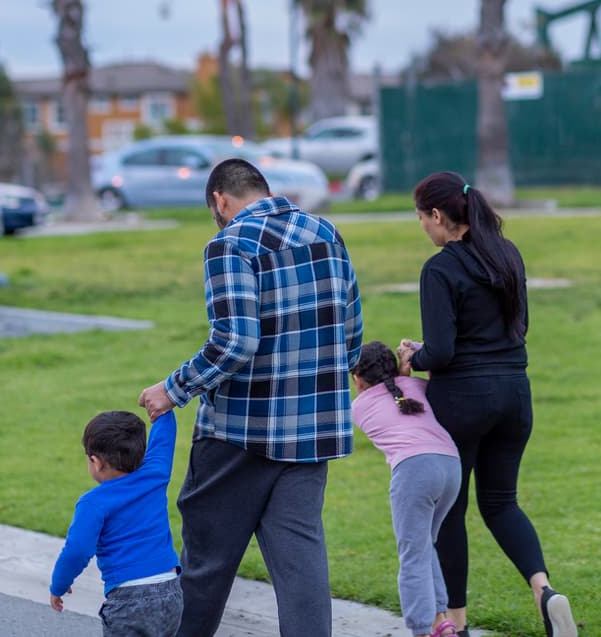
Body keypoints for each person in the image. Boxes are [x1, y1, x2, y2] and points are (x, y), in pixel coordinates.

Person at [138, 158, 362, 637]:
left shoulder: (229, 244)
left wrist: (172, 390)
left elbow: (236, 341)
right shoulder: (326, 233)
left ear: (220, 200)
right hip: (312, 430)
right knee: (300, 564)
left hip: (238, 433)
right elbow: (351, 334)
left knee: (206, 563)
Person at [397, 171, 576, 637]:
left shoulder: (439, 269)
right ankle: (544, 591)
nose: (422, 227)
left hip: (462, 401)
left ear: (438, 215)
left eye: (421, 218)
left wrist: (413, 356)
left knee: (450, 512)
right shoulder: (507, 255)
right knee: (501, 503)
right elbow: (520, 327)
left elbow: (443, 352)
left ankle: (456, 622)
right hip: (515, 394)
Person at [351, 341, 462, 637]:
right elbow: (404, 390)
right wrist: (409, 358)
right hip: (451, 466)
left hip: (414, 471)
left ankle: (421, 630)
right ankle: (441, 623)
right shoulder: (417, 386)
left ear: (357, 379)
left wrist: (401, 373)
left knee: (412, 554)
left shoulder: (359, 407)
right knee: (424, 545)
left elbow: (389, 397)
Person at [49, 409, 182, 637]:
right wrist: (163, 408)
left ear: (96, 462)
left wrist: (59, 585)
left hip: (129, 600)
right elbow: (164, 439)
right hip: (171, 592)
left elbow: (77, 550)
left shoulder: (93, 503)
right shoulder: (155, 475)